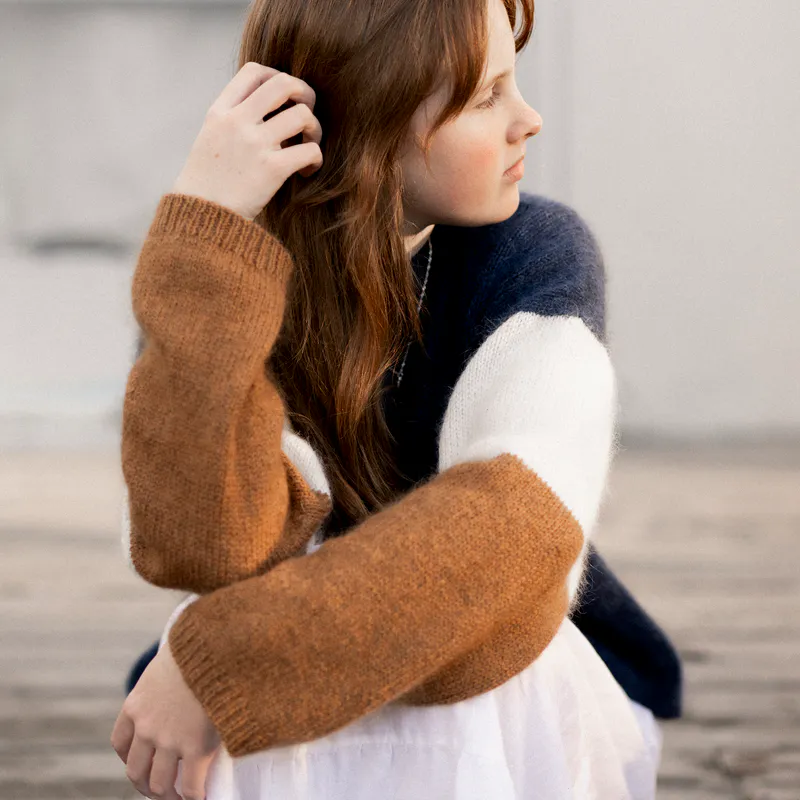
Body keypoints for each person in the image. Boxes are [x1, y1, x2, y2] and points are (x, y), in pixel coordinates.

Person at [110, 0, 682, 797]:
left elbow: (516, 536)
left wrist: (224, 663)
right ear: (367, 120)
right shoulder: (224, 268)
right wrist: (207, 226)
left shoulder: (537, 256)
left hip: (521, 681)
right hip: (295, 669)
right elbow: (206, 551)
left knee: (450, 662)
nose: (530, 120)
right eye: (487, 97)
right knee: (267, 689)